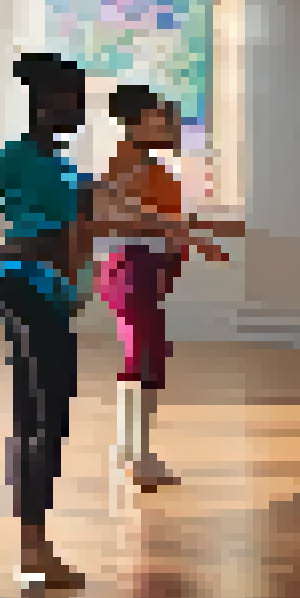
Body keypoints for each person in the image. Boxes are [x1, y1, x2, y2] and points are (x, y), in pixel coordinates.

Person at [0, 52, 98, 589]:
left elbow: (78, 226)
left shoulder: (63, 163)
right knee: (40, 412)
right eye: (70, 100)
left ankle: (35, 544)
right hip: (25, 286)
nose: (79, 109)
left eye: (81, 100)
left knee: (47, 412)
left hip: (51, 292)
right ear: (43, 104)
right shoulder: (17, 155)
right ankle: (32, 548)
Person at [93, 85, 231, 490]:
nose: (171, 122)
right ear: (137, 121)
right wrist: (183, 232)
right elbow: (113, 207)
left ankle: (131, 449)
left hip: (143, 269)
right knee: (145, 353)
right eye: (161, 115)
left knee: (147, 352)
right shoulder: (128, 162)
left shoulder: (146, 164)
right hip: (131, 267)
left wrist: (180, 236)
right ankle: (139, 456)